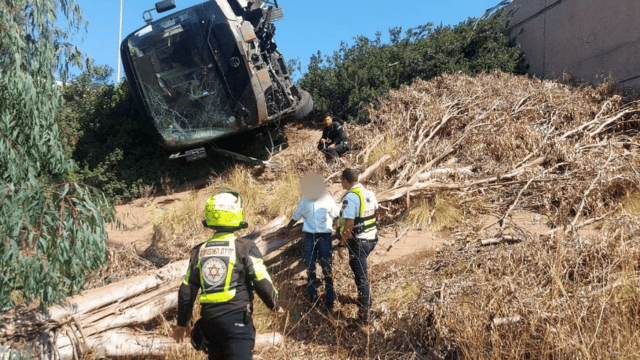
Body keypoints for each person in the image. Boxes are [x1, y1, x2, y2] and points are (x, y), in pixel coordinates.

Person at [173, 191, 284, 360]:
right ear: (236, 215)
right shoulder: (244, 247)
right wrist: (274, 306)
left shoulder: (199, 250)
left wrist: (182, 323)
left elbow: (186, 290)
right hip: (237, 322)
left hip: (209, 323)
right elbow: (261, 280)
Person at [283, 172, 340, 314]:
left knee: (327, 268)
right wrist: (287, 229)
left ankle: (330, 300)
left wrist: (338, 231)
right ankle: (313, 297)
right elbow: (296, 216)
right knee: (310, 267)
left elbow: (336, 216)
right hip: (309, 237)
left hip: (325, 238)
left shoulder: (328, 200)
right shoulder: (304, 201)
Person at [336, 169, 378, 323]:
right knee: (362, 274)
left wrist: (342, 244)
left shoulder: (351, 197)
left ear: (346, 180)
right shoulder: (369, 193)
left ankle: (365, 315)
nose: (340, 183)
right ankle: (366, 303)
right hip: (371, 239)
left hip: (359, 241)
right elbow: (374, 212)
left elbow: (349, 224)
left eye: (341, 180)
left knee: (361, 278)